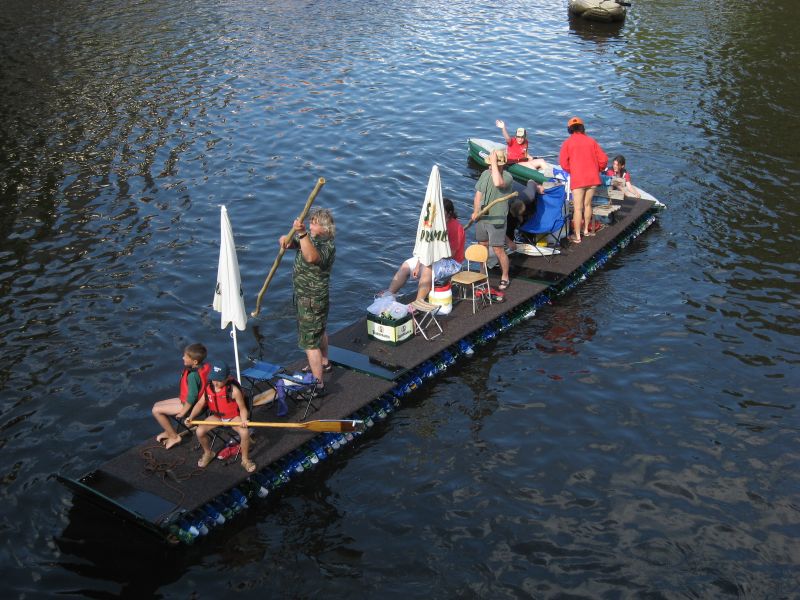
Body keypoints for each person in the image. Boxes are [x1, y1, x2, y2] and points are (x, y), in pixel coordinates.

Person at [279, 208, 336, 393]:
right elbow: (294, 243)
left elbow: (311, 257)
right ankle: (324, 362)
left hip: (312, 300)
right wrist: (286, 240)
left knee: (310, 343)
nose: (310, 225)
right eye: (310, 221)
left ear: (325, 228)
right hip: (305, 297)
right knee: (319, 331)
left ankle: (317, 384)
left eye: (314, 223)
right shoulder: (311, 238)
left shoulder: (328, 246)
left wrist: (302, 233)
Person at [385, 198, 465, 301]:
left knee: (427, 267)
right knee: (406, 265)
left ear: (449, 213)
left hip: (452, 262)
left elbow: (451, 255)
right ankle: (389, 294)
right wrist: (418, 264)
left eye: (442, 212)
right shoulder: (434, 225)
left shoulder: (456, 228)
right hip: (433, 257)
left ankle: (419, 301)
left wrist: (429, 258)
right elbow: (425, 246)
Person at [185, 362, 255, 473]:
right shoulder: (209, 388)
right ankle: (208, 453)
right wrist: (191, 417)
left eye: (219, 380)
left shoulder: (234, 391)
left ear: (227, 378)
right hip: (217, 417)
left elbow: (242, 409)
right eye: (214, 379)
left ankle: (245, 460)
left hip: (233, 417)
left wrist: (244, 420)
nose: (216, 383)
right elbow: (199, 404)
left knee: (245, 432)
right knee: (199, 431)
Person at [151, 343, 210, 450]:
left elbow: (192, 397)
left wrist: (183, 412)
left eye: (186, 356)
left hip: (191, 406)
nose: (183, 358)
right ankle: (168, 431)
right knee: (157, 404)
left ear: (195, 362)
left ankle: (174, 437)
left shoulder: (193, 376)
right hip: (192, 402)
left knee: (156, 410)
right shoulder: (202, 366)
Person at [559, 116, 608, 243]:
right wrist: (598, 169)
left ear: (569, 129)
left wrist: (573, 170)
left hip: (578, 179)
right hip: (593, 178)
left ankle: (577, 236)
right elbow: (603, 159)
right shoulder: (591, 141)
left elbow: (563, 163)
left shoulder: (567, 143)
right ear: (582, 128)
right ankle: (586, 230)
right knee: (587, 205)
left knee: (578, 208)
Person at [472, 149, 514, 291]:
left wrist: (495, 164)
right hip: (482, 218)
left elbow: (497, 183)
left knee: (498, 249)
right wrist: (476, 211)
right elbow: (478, 194)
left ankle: (505, 276)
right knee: (482, 246)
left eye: (493, 164)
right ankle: (482, 273)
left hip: (497, 218)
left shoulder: (508, 177)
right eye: (489, 164)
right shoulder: (485, 174)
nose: (490, 167)